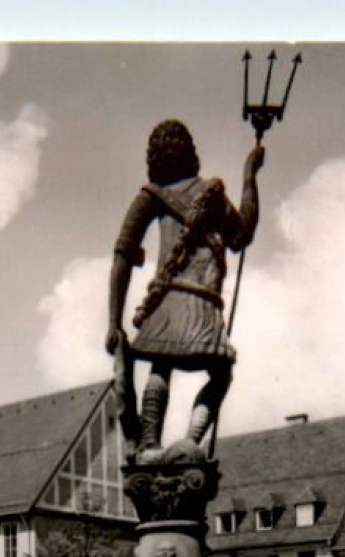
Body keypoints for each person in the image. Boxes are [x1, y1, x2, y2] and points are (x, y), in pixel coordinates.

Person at [106, 119, 263, 463]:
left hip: (168, 300)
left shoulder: (149, 197)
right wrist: (249, 174)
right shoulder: (212, 195)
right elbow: (243, 235)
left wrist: (114, 321)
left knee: (161, 366)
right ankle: (191, 442)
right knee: (220, 374)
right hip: (203, 303)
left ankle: (150, 444)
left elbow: (121, 255)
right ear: (190, 152)